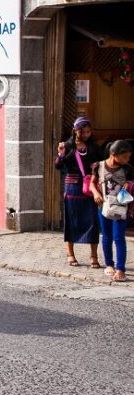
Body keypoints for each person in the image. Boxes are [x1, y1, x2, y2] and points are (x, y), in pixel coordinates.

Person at [54, 116, 104, 268]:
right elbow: (58, 166)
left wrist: (96, 169)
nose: (87, 134)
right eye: (84, 132)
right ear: (76, 131)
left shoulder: (94, 147)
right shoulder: (67, 146)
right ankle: (70, 253)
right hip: (73, 187)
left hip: (90, 187)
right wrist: (61, 155)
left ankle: (94, 256)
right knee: (71, 219)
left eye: (89, 132)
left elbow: (101, 164)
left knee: (93, 221)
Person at [89, 139, 132, 282]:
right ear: (114, 154)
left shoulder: (128, 169)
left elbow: (132, 183)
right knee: (107, 236)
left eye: (129, 156)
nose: (128, 159)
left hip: (121, 208)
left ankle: (120, 269)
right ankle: (109, 264)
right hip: (104, 206)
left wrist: (129, 184)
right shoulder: (99, 166)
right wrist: (96, 193)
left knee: (119, 237)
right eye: (125, 156)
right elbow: (92, 184)